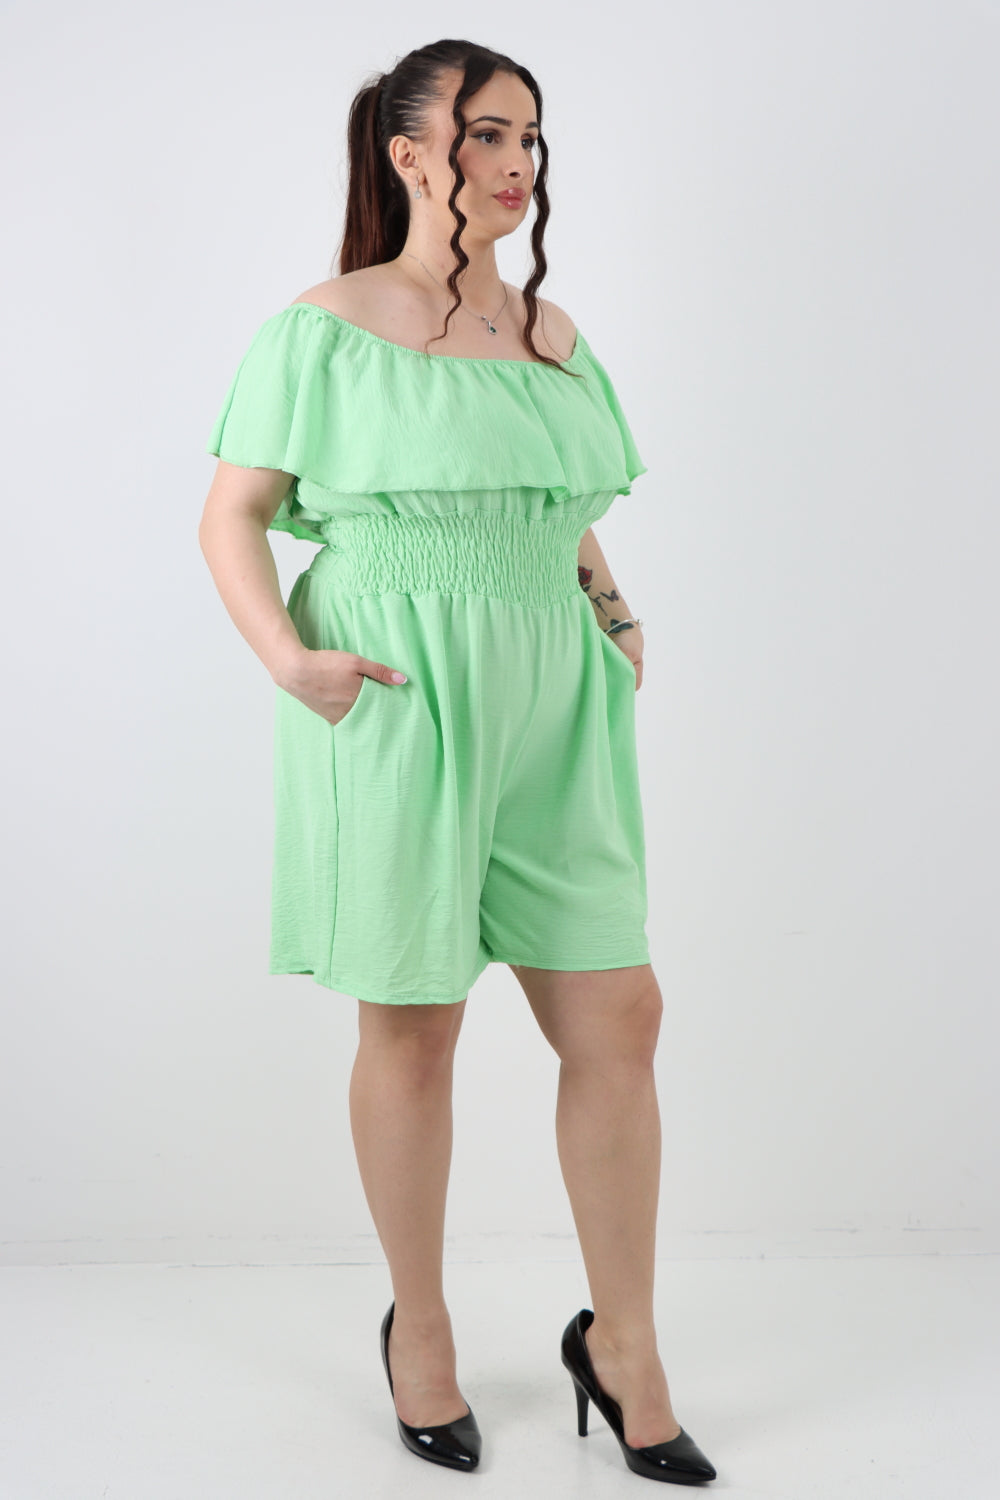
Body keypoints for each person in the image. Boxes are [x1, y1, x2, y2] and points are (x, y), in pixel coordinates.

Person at [198, 36, 717, 1487]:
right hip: (400, 685)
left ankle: (624, 1345)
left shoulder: (551, 335)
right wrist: (289, 661)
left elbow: (555, 500)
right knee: (417, 1021)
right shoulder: (327, 327)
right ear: (410, 152)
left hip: (556, 695)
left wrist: (613, 609)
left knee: (620, 1014)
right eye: (488, 133)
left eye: (531, 138)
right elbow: (232, 514)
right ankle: (418, 1328)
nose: (516, 162)